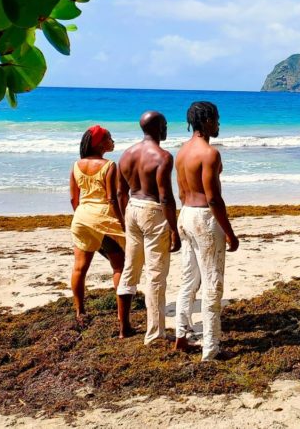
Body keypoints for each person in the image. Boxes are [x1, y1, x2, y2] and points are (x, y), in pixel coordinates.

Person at [174, 101, 239, 360]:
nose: (219, 124)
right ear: (206, 121)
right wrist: (229, 232)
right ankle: (211, 348)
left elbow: (180, 192)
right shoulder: (209, 154)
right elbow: (213, 198)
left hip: (186, 214)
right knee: (213, 283)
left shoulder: (181, 152)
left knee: (189, 279)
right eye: (216, 119)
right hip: (204, 218)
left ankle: (181, 335)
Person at [116, 111, 181, 343]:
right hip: (153, 210)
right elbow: (165, 197)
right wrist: (174, 228)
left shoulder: (126, 154)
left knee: (130, 269)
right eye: (165, 125)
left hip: (132, 208)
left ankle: (124, 327)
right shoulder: (163, 156)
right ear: (158, 128)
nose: (166, 129)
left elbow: (120, 192)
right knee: (155, 275)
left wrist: (125, 220)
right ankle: (154, 334)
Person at [68, 125, 127, 328]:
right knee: (119, 265)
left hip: (82, 216)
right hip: (104, 217)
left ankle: (80, 311)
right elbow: (112, 198)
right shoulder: (109, 165)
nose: (113, 141)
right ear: (99, 143)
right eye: (109, 138)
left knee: (80, 267)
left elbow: (73, 199)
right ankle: (121, 316)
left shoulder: (76, 165)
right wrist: (123, 222)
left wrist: (81, 215)